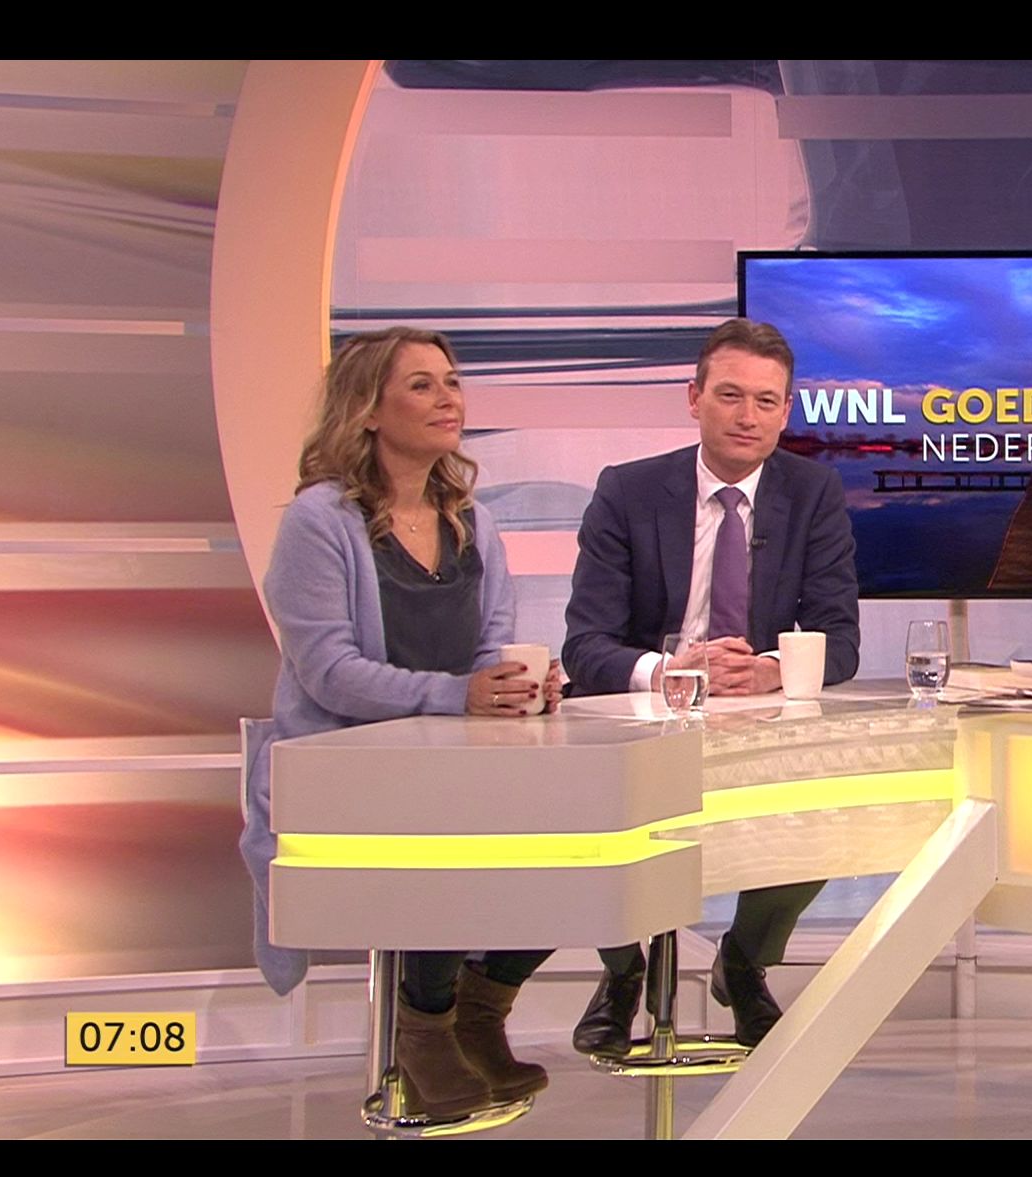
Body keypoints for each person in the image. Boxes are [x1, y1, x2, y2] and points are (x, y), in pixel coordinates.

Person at [248, 328, 563, 1119]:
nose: (448, 398)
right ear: (367, 410)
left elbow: (491, 645)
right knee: (450, 828)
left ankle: (480, 1010)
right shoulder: (320, 520)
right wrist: (460, 694)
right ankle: (422, 1025)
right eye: (422, 385)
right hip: (344, 769)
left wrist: (521, 685)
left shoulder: (471, 519)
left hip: (456, 760)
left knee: (582, 840)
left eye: (451, 381)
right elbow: (329, 672)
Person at [562, 317, 860, 1054]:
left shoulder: (813, 492)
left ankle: (745, 962)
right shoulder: (629, 491)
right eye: (729, 395)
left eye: (766, 401)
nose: (747, 416)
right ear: (693, 398)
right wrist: (668, 672)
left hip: (755, 722)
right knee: (585, 799)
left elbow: (841, 639)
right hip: (645, 720)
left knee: (828, 809)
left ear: (786, 413)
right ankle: (624, 970)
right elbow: (585, 646)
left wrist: (767, 670)